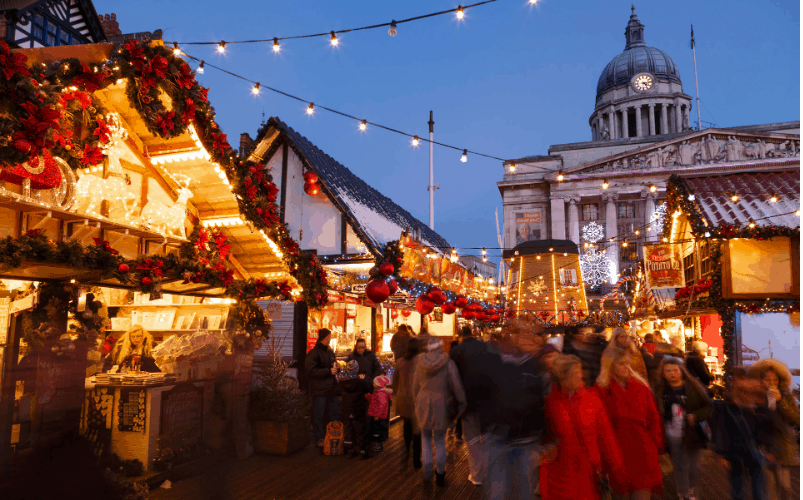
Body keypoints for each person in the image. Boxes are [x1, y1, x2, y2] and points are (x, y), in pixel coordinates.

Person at [541, 354, 624, 500]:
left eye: (580, 371)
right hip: (559, 473)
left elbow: (606, 435)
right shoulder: (550, 403)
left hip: (588, 472)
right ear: (562, 377)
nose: (581, 376)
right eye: (575, 373)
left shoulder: (591, 399)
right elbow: (543, 438)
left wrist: (616, 466)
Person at [481, 326, 548, 500]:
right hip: (499, 435)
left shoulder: (534, 366)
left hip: (526, 438)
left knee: (524, 489)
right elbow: (482, 393)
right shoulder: (494, 362)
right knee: (498, 490)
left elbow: (540, 401)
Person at [595, 349, 664, 500]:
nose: (626, 367)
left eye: (628, 363)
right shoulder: (602, 390)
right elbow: (600, 426)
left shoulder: (640, 386)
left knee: (643, 492)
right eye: (621, 364)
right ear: (611, 366)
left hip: (643, 449)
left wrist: (655, 442)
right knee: (621, 493)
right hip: (618, 451)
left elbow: (653, 417)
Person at [711, 367, 775, 500]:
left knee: (758, 489)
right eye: (744, 391)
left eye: (750, 392)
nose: (747, 395)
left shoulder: (761, 408)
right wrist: (722, 454)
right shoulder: (730, 408)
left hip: (756, 454)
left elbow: (768, 429)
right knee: (737, 489)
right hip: (735, 455)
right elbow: (723, 431)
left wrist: (769, 449)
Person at [655, 356, 713, 500]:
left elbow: (708, 407)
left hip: (693, 433)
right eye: (668, 371)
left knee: (694, 467)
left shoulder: (693, 386)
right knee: (680, 466)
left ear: (681, 371)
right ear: (663, 373)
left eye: (675, 370)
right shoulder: (661, 390)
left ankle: (691, 490)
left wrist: (696, 416)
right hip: (673, 433)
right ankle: (683, 494)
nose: (672, 374)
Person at [412, 336, 466, 487]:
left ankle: (427, 473)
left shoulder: (420, 362)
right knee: (440, 441)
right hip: (442, 403)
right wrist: (462, 402)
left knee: (426, 439)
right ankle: (440, 474)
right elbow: (456, 385)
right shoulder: (448, 363)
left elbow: (415, 386)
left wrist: (417, 400)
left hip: (423, 402)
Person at [750, 359, 799, 500]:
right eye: (767, 379)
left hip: (783, 447)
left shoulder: (787, 397)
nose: (771, 383)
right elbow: (754, 423)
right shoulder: (757, 398)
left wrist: (780, 401)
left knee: (785, 487)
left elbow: (796, 419)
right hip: (764, 448)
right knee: (770, 489)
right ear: (761, 380)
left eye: (775, 379)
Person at [448, 326, 490, 486]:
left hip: (467, 401)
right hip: (487, 400)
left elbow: (452, 378)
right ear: (472, 334)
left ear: (460, 337)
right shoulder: (486, 348)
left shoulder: (456, 351)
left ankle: (477, 474)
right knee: (486, 437)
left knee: (472, 440)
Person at [305, 328, 341, 448]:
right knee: (318, 415)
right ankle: (319, 438)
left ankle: (333, 436)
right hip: (319, 390)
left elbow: (332, 365)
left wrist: (337, 368)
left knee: (334, 414)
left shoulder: (330, 352)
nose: (330, 339)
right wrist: (328, 371)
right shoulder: (314, 353)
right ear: (324, 338)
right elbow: (311, 371)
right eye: (329, 337)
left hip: (331, 389)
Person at [390, 337, 422, 468]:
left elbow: (395, 382)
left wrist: (395, 396)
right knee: (418, 430)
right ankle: (416, 459)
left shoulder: (400, 362)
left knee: (406, 425)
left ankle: (406, 450)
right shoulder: (421, 362)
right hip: (418, 399)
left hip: (403, 398)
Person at [336, 360, 373, 458]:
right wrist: (363, 379)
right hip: (358, 410)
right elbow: (369, 388)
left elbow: (337, 392)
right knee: (360, 430)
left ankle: (349, 451)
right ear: (357, 370)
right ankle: (362, 451)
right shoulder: (361, 382)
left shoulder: (342, 382)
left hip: (346, 410)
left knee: (348, 430)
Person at [365, 374, 393, 453]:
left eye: (374, 383)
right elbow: (374, 401)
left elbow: (382, 405)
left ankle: (378, 445)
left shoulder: (381, 394)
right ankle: (376, 445)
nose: (373, 384)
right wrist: (368, 396)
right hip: (376, 415)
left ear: (378, 384)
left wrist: (377, 415)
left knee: (378, 431)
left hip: (379, 417)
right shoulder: (377, 392)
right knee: (376, 430)